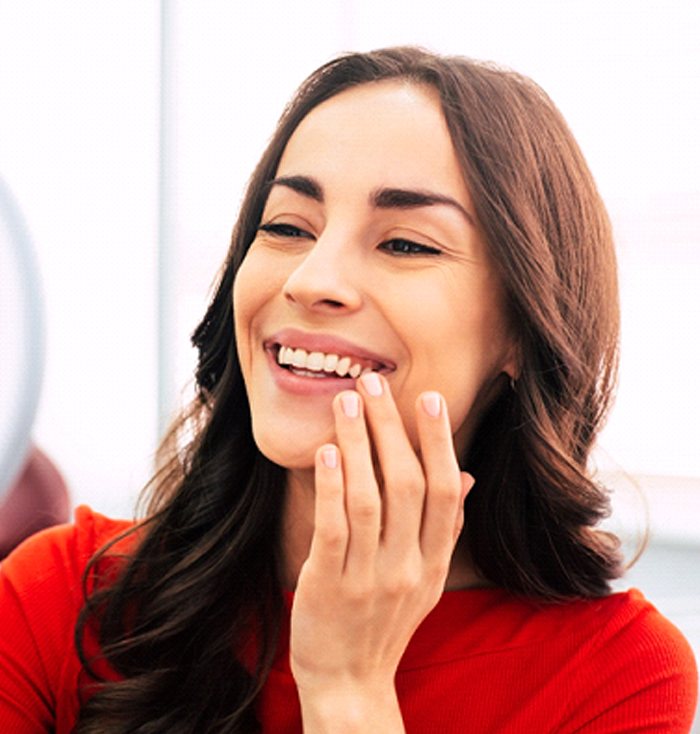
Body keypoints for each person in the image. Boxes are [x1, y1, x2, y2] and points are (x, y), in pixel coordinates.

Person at [0, 46, 696, 733]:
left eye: (405, 244)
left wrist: (347, 689)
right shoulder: (54, 598)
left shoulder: (618, 679)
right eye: (286, 228)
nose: (311, 279)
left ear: (524, 327)